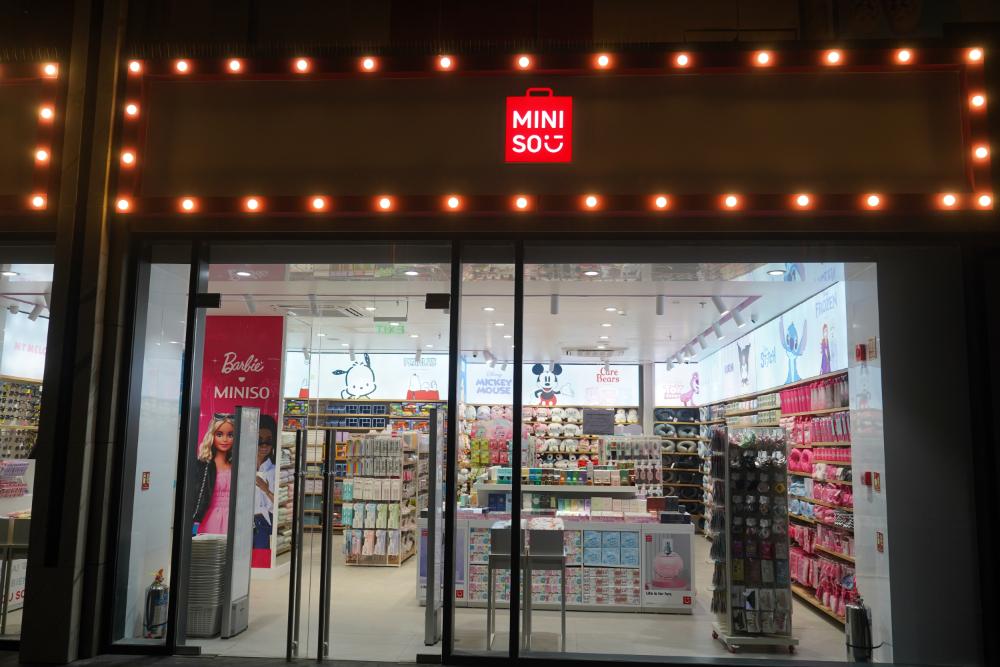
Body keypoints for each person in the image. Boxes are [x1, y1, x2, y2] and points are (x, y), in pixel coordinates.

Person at [191, 414, 235, 535]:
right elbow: (196, 495)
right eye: (219, 435)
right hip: (210, 518)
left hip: (234, 518)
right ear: (212, 436)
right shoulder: (204, 465)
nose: (225, 440)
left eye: (230, 435)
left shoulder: (237, 465)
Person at [253, 414, 277, 550]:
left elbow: (279, 503)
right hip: (242, 522)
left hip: (263, 522)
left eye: (268, 441)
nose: (264, 445)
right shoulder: (242, 467)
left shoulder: (274, 471)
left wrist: (266, 490)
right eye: (259, 440)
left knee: (261, 555)